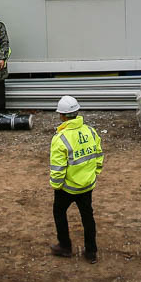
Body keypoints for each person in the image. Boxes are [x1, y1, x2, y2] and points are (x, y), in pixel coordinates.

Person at [49, 95, 103, 263]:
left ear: (62, 116)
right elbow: (98, 155)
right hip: (87, 185)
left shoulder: (61, 138)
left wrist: (56, 186)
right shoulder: (90, 131)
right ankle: (91, 252)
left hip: (67, 188)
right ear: (77, 112)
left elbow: (58, 168)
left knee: (59, 212)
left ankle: (65, 246)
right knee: (88, 217)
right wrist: (95, 174)